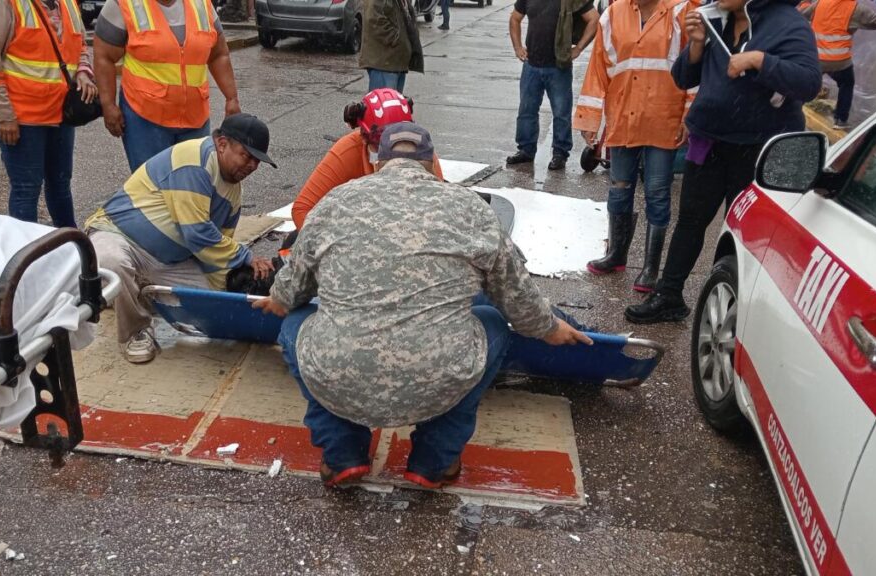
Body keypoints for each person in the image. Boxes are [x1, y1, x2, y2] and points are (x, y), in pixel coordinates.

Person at [255, 123, 592, 488]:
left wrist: (278, 300)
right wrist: (550, 327)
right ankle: (433, 461)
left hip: (342, 376)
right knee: (493, 323)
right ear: (432, 162)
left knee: (293, 324)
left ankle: (342, 456)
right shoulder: (470, 208)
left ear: (378, 162)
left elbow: (290, 292)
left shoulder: (334, 203)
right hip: (438, 378)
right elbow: (515, 295)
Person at [625, 0, 821, 324]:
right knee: (690, 220)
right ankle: (669, 294)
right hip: (710, 141)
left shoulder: (788, 24)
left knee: (743, 235)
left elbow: (809, 82)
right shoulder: (717, 20)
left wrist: (760, 60)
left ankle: (738, 310)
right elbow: (683, 78)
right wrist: (697, 46)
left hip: (756, 150)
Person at [85, 113, 278, 364]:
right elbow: (197, 233)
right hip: (118, 234)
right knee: (112, 263)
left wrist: (234, 293)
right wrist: (246, 256)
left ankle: (124, 292)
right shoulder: (195, 162)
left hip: (167, 260)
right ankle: (135, 331)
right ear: (222, 144)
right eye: (247, 155)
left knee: (213, 301)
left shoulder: (233, 193)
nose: (252, 165)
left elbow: (217, 256)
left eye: (257, 161)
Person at [574, 0, 693, 293]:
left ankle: (651, 268)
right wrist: (590, 119)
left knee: (656, 192)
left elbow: (695, 68)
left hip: (662, 119)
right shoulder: (614, 14)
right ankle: (616, 254)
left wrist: (690, 115)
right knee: (619, 187)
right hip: (623, 117)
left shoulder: (681, 11)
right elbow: (598, 68)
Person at [0, 0, 97, 228]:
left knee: (60, 184)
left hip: (61, 113)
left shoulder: (67, 3)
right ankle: (26, 254)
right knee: (26, 189)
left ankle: (70, 244)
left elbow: (79, 44)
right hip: (21, 116)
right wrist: (3, 115)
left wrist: (83, 72)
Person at [93, 0, 242, 172]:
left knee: (191, 188)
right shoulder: (124, 5)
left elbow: (219, 54)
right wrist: (108, 105)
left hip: (195, 120)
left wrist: (232, 98)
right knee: (151, 189)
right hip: (144, 120)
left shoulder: (201, 4)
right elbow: (104, 56)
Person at [289, 88, 444, 233]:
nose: (391, 157)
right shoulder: (348, 151)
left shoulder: (423, 153)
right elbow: (303, 208)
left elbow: (441, 208)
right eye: (380, 147)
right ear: (363, 137)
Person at [507, 0, 599, 171]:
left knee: (561, 114)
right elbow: (515, 19)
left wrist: (578, 48)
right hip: (532, 64)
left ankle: (560, 154)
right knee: (526, 111)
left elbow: (594, 19)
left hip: (559, 66)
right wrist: (518, 47)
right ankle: (526, 150)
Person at [800, 0, 876, 129]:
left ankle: (793, 105)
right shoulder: (855, 8)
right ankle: (840, 119)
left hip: (816, 57)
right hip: (839, 62)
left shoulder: (821, 3)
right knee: (847, 84)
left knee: (804, 83)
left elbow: (803, 12)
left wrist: (805, 2)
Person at [359, 0, 424, 92]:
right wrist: (397, 39)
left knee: (395, 105)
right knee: (384, 104)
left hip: (396, 62)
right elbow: (374, 19)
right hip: (384, 63)